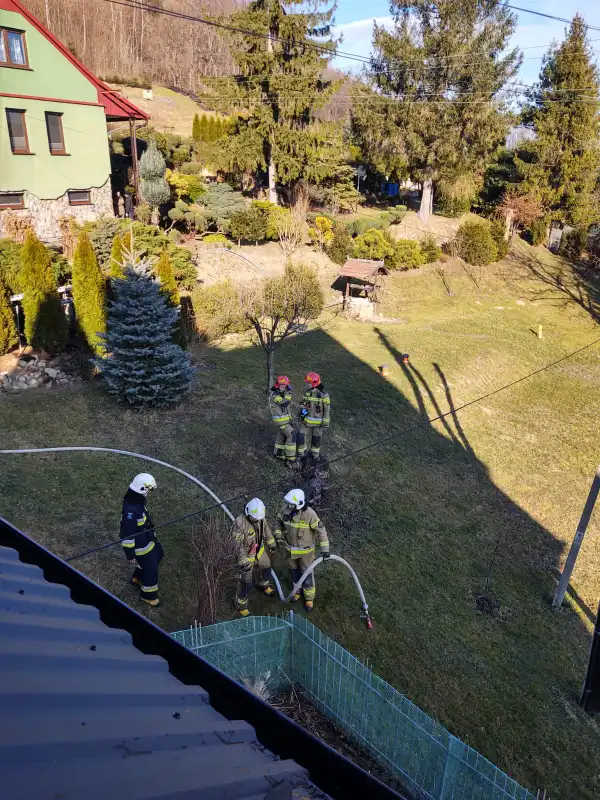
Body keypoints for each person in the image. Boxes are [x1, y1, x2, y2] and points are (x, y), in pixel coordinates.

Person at [274, 488, 329, 612]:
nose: (288, 506)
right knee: (294, 573)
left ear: (298, 504)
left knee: (306, 575)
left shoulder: (309, 514)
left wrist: (325, 549)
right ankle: (296, 592)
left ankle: (309, 599)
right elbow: (278, 524)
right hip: (290, 551)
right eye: (288, 503)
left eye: (291, 504)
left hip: (306, 553)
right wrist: (278, 537)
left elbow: (321, 531)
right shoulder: (284, 510)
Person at [121, 473, 163, 608]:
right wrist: (130, 554)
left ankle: (138, 578)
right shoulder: (130, 511)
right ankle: (148, 596)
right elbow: (126, 534)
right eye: (148, 491)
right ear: (142, 490)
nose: (148, 494)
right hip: (141, 547)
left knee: (159, 553)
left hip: (148, 540)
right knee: (151, 569)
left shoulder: (137, 502)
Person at [232, 498, 276, 617]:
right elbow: (236, 545)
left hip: (259, 552)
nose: (257, 520)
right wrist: (243, 561)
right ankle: (241, 605)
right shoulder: (239, 524)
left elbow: (265, 530)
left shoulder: (260, 518)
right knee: (246, 584)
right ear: (248, 513)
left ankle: (263, 584)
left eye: (258, 518)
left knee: (266, 567)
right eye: (254, 518)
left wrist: (271, 543)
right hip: (246, 557)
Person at [297, 371, 330, 461]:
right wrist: (302, 414)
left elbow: (327, 409)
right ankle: (301, 454)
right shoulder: (307, 393)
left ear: (314, 383)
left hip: (318, 424)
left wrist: (325, 422)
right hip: (306, 422)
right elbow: (302, 404)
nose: (306, 384)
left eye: (308, 383)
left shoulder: (324, 395)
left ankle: (315, 456)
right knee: (300, 436)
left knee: (316, 440)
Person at [269, 375, 297, 467]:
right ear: (277, 385)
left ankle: (278, 454)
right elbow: (284, 403)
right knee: (291, 435)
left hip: (284, 421)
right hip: (280, 421)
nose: (283, 388)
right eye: (282, 386)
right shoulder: (274, 395)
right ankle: (290, 458)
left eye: (285, 386)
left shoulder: (281, 394)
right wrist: (289, 394)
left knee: (282, 435)